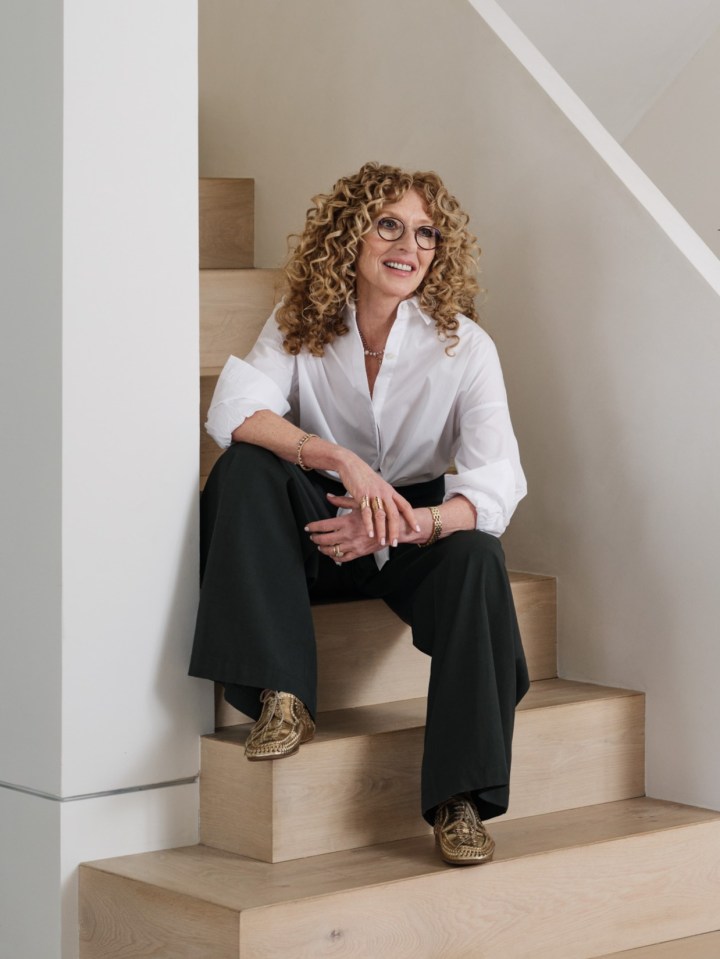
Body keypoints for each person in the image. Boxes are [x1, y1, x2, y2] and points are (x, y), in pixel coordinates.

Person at [189, 161, 529, 866]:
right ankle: (281, 693)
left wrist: (411, 522)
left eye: (427, 234)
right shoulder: (300, 320)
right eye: (390, 225)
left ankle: (461, 800)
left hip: (413, 524)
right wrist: (341, 461)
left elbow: (498, 481)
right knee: (247, 468)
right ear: (351, 234)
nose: (409, 246)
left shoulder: (465, 346)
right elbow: (232, 408)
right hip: (324, 519)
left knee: (479, 557)